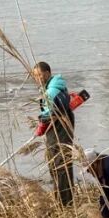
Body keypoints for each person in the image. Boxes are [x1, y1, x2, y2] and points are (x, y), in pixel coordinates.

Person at [33, 61, 75, 206]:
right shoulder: (56, 85)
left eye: (39, 75)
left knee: (59, 163)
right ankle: (66, 199)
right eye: (34, 76)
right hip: (62, 124)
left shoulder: (51, 91)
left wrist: (40, 124)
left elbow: (48, 114)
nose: (37, 78)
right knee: (61, 162)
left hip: (59, 127)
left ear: (47, 73)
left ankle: (64, 202)